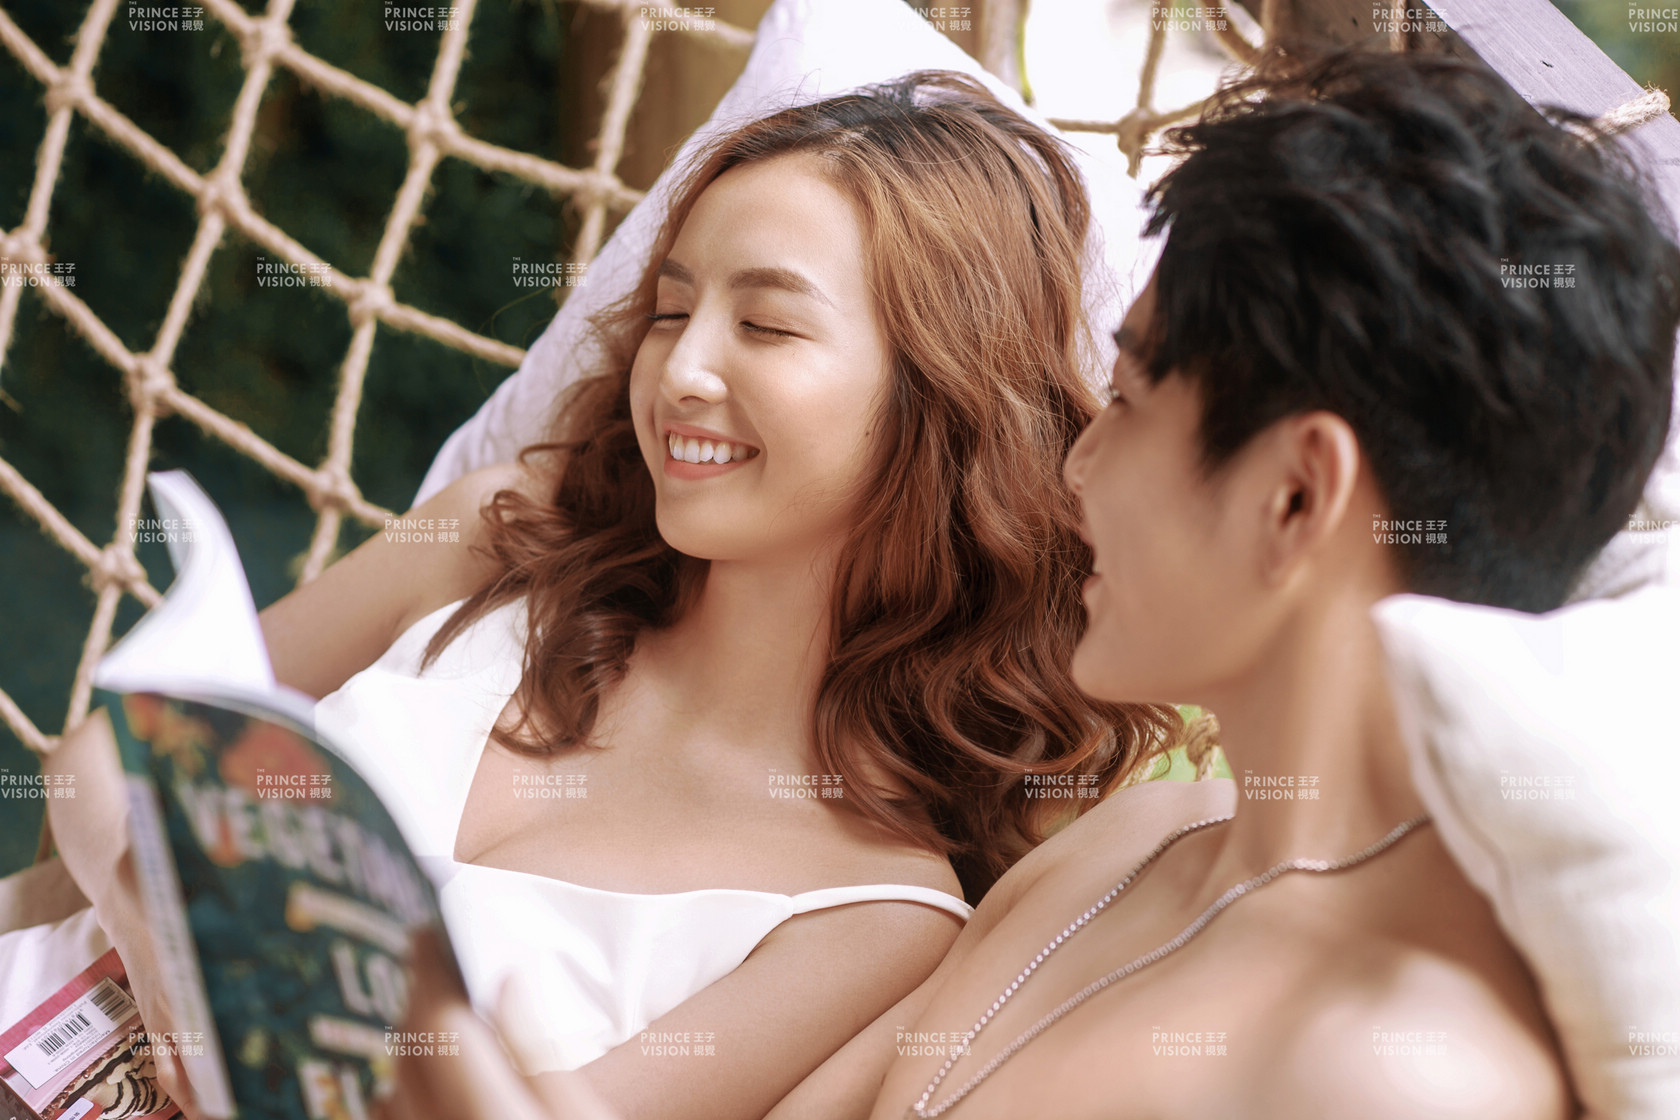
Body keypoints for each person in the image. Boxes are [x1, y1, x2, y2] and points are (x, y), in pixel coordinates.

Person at [376, 43, 1680, 1120]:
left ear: (1295, 496)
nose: (1077, 470)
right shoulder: (1124, 847)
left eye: (1131, 403)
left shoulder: (1404, 1070)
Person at [45, 71, 1188, 1120]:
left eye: (768, 325)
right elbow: (101, 754)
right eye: (672, 311)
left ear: (936, 401)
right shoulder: (507, 537)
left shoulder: (875, 917)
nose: (681, 370)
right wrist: (164, 949)